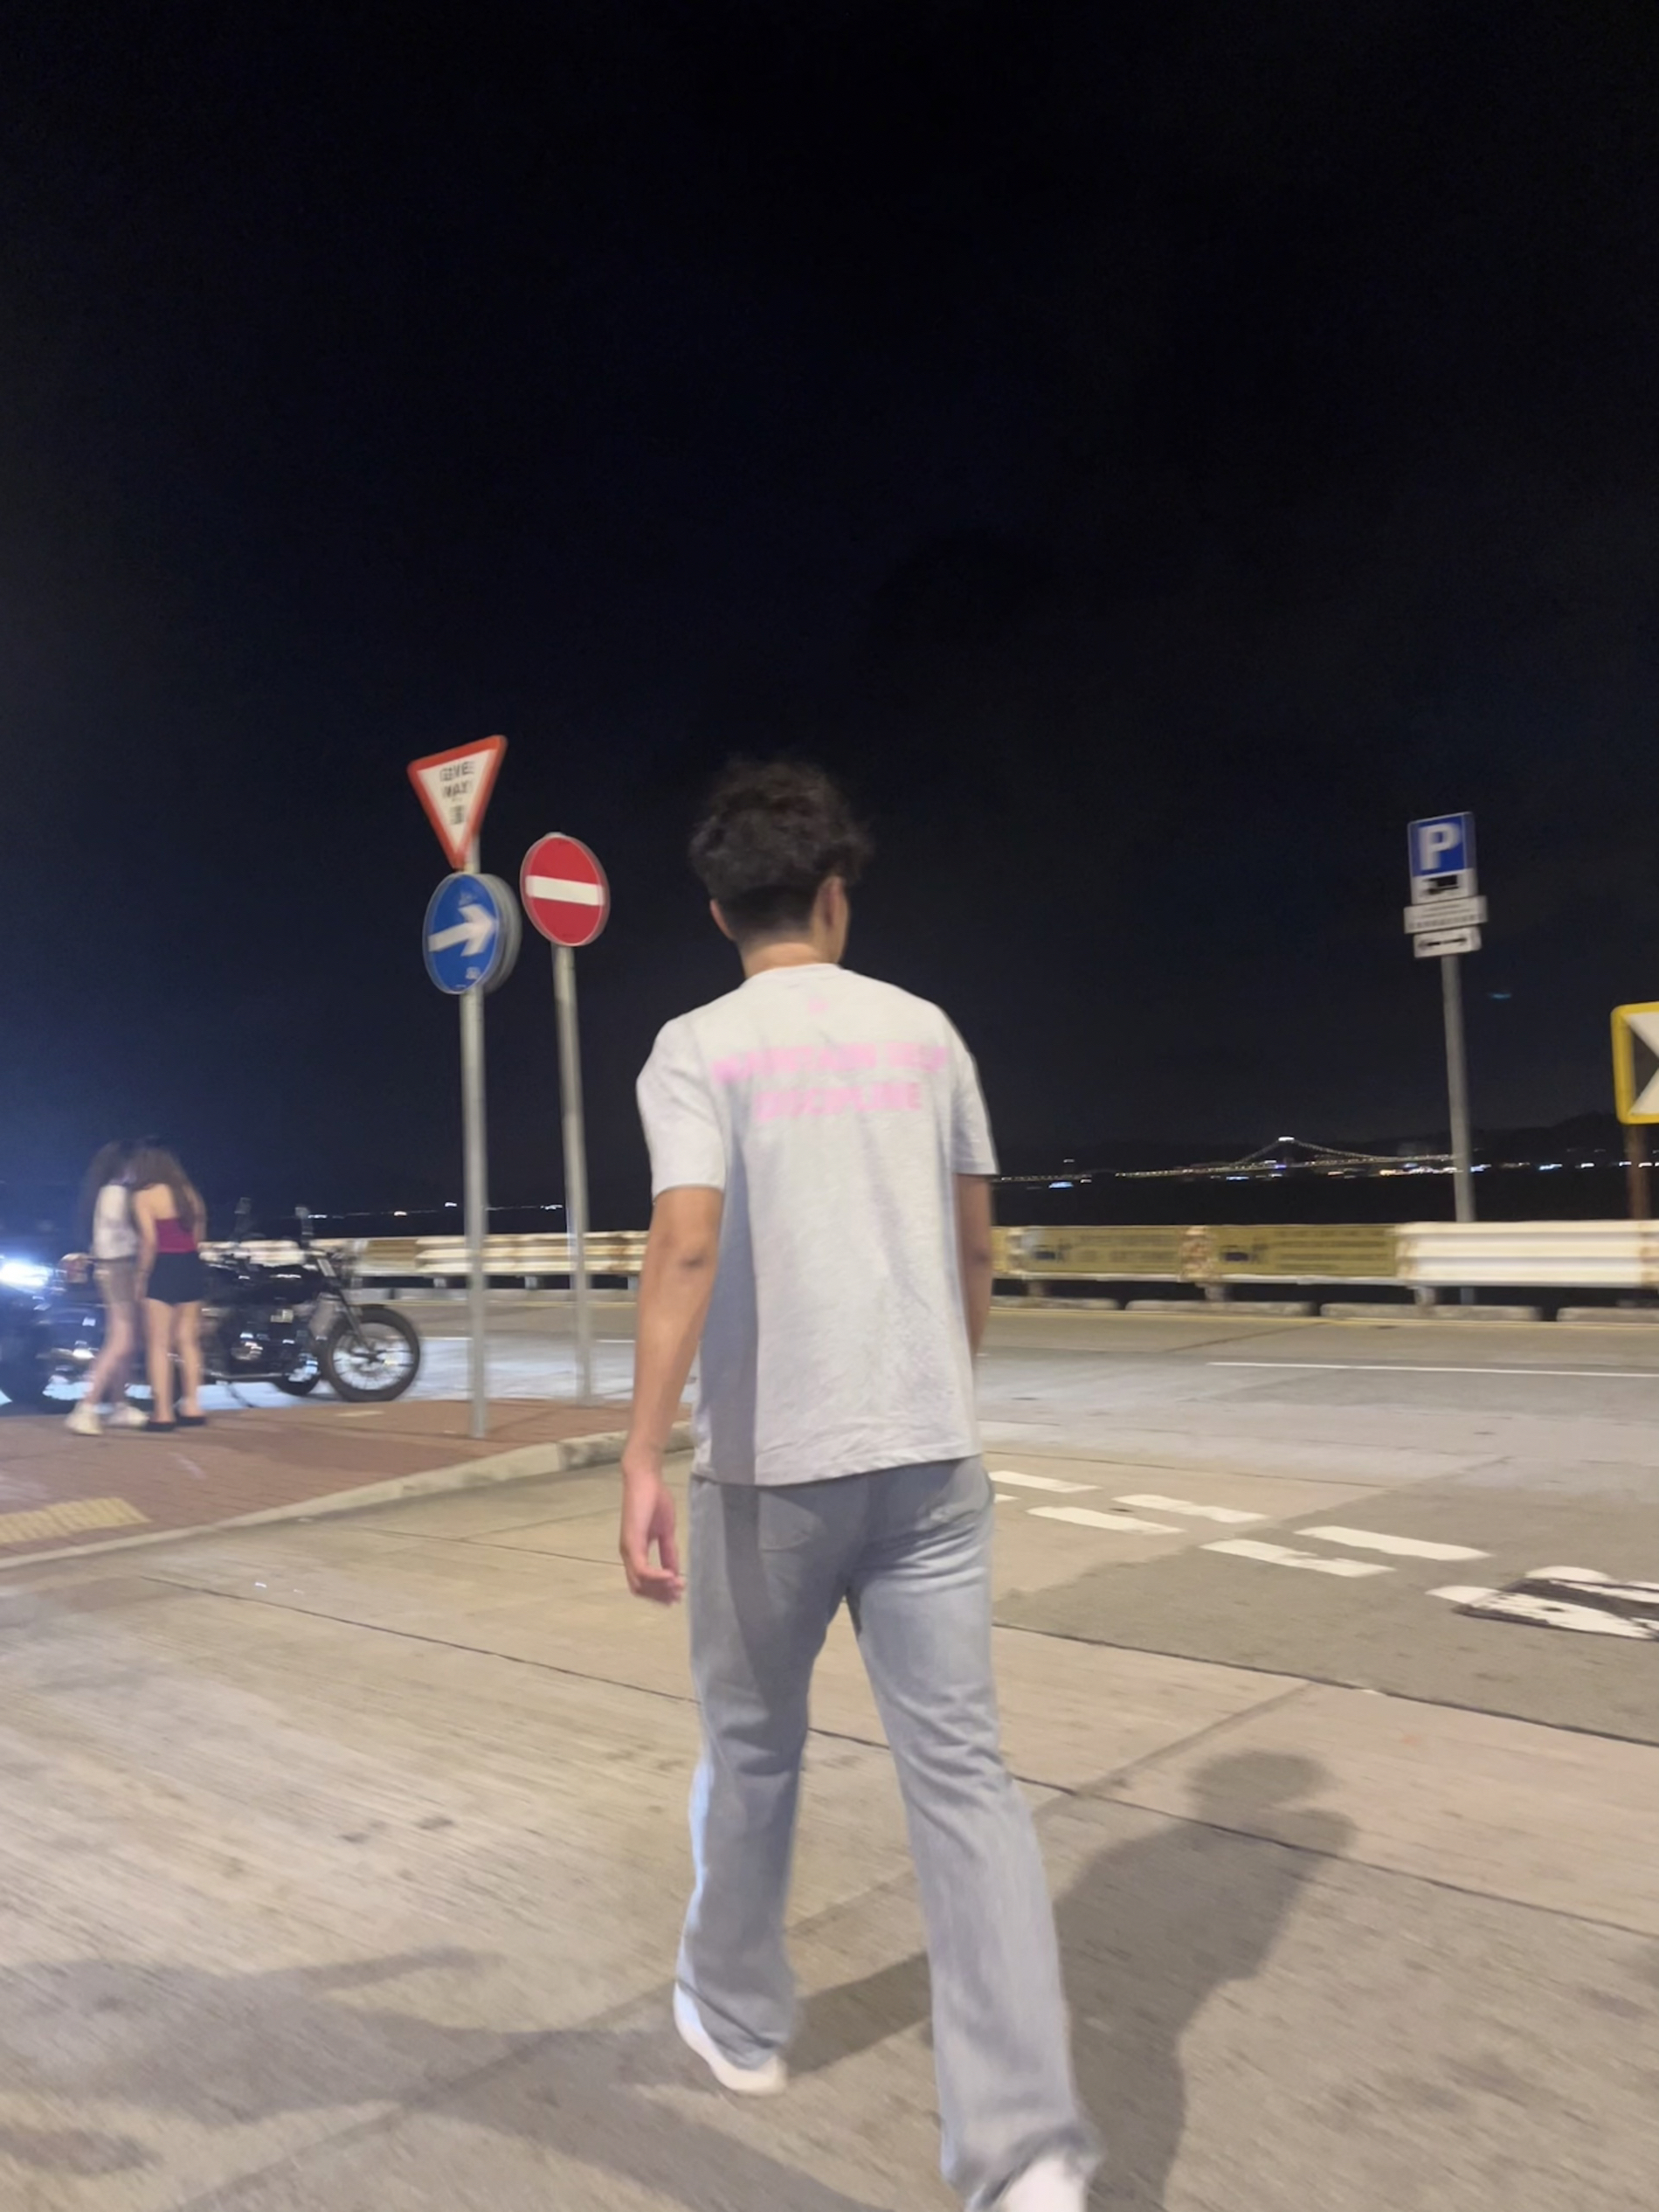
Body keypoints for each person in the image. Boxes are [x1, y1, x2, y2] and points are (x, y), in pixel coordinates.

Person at [621, 762, 1096, 2212]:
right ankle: (1023, 2153)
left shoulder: (695, 1048)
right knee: (963, 1784)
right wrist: (937, 1386)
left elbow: (685, 1245)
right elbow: (974, 1246)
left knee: (752, 1750)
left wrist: (641, 1450)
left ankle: (739, 2017)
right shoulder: (926, 1032)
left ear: (719, 913)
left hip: (770, 1474)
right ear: (834, 897)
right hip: (928, 1463)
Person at [65, 1140, 149, 1436]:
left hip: (110, 1267)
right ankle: (86, 1406)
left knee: (124, 1339)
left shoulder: (102, 1193)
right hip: (119, 1267)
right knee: (122, 1340)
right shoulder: (117, 1193)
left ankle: (119, 1404)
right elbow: (125, 1234)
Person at [130, 1144, 209, 1431]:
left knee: (159, 1344)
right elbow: (198, 1236)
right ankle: (192, 1406)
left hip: (163, 1267)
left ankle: (162, 1413)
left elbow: (149, 1241)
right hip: (190, 1264)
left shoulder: (143, 1196)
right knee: (188, 1340)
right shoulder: (189, 1193)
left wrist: (141, 1276)